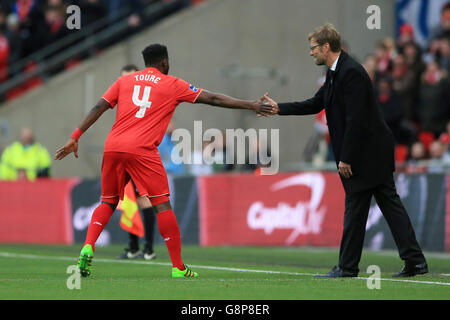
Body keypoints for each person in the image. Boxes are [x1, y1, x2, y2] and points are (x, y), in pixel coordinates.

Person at [54, 43, 271, 279]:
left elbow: (99, 106)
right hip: (142, 150)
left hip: (113, 146)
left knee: (108, 201)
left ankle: (88, 246)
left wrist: (75, 137)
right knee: (162, 205)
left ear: (145, 61)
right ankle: (178, 267)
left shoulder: (124, 81)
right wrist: (251, 104)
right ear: (164, 62)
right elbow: (214, 99)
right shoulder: (173, 84)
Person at [262, 24, 428, 278]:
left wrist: (346, 157)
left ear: (326, 47)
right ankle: (411, 261)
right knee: (383, 206)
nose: (311, 53)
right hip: (370, 151)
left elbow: (356, 119)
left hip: (368, 154)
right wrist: (279, 108)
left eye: (313, 48)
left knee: (360, 207)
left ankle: (349, 267)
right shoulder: (335, 72)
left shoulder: (351, 73)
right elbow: (316, 103)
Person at [116, 64, 156, 261]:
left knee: (144, 199)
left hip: (140, 154)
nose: (126, 82)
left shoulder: (144, 100)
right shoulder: (123, 99)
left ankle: (148, 248)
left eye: (130, 77)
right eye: (123, 78)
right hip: (124, 154)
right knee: (128, 198)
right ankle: (134, 247)